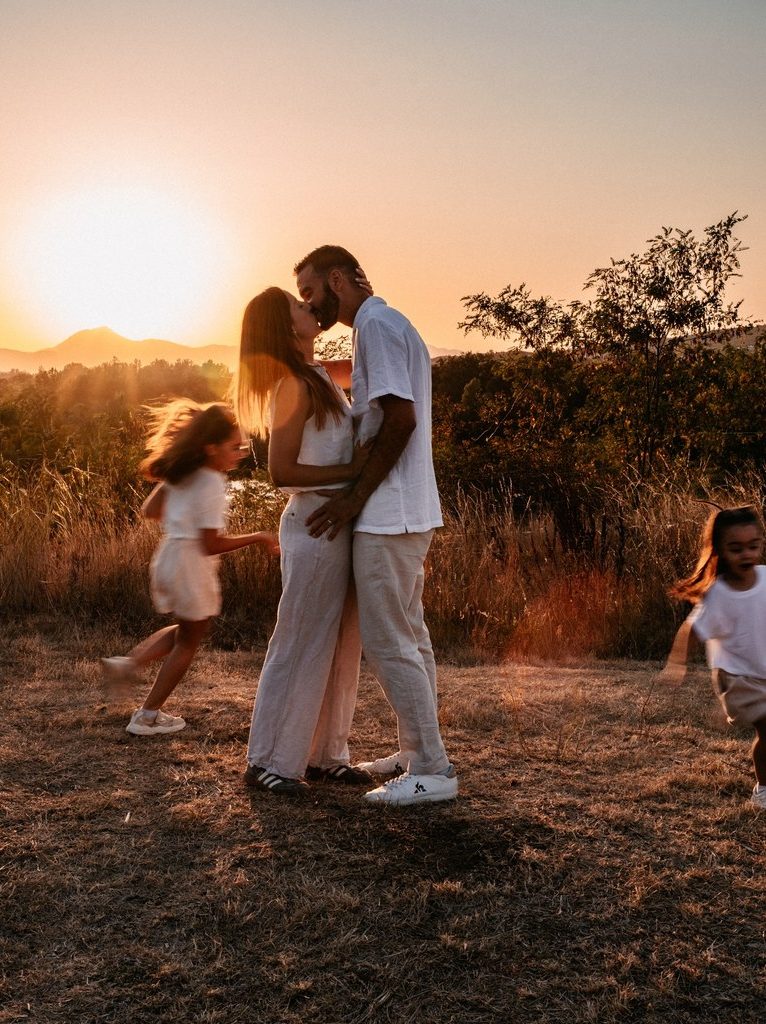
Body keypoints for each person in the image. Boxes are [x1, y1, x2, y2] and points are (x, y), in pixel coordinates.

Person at [294, 244, 458, 806]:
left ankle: (433, 770)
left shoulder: (379, 326)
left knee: (391, 642)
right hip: (404, 511)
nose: (311, 307)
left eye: (311, 292)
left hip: (390, 513)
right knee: (410, 636)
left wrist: (352, 500)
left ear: (338, 279)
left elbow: (401, 420)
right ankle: (417, 751)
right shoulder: (386, 324)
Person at [237, 285, 376, 796]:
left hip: (338, 524)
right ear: (284, 326)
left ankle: (326, 755)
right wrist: (353, 472)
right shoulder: (291, 385)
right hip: (314, 525)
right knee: (300, 638)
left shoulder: (318, 376)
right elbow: (281, 470)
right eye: (298, 306)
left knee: (342, 641)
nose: (309, 308)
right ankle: (269, 759)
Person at [101, 401, 279, 736]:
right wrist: (258, 536)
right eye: (234, 447)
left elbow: (150, 510)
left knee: (187, 630)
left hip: (168, 555)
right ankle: (147, 716)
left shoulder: (185, 473)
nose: (241, 453)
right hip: (191, 564)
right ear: (211, 448)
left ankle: (128, 665)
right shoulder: (212, 481)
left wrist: (181, 505)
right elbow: (210, 544)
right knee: (189, 639)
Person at [662, 504, 766, 808]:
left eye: (753, 546)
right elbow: (692, 630)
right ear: (720, 550)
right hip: (736, 676)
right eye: (736, 548)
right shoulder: (718, 594)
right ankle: (763, 789)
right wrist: (677, 663)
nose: (746, 555)